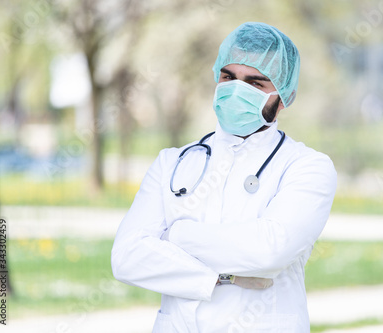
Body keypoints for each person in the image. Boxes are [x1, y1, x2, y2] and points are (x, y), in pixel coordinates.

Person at [111, 22, 337, 332]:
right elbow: (126, 257)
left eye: (255, 84)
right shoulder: (172, 162)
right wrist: (219, 279)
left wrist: (175, 236)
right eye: (228, 77)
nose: (235, 90)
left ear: (283, 96)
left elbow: (270, 250)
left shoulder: (307, 167)